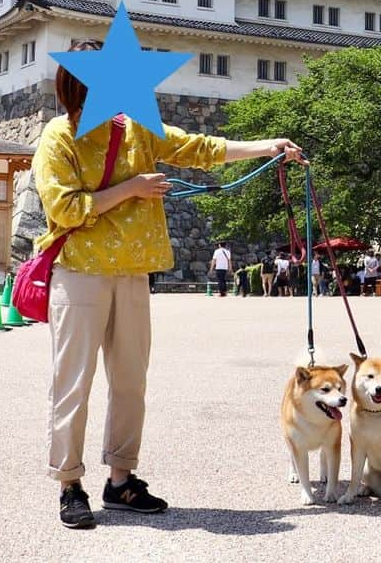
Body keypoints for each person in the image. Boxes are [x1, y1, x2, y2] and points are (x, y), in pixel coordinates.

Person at [32, 37, 303, 529]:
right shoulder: (59, 136)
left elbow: (196, 148)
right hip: (80, 273)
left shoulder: (136, 127)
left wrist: (269, 146)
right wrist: (133, 188)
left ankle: (120, 479)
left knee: (131, 382)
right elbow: (64, 209)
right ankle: (69, 483)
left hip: (133, 272)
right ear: (77, 83)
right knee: (73, 383)